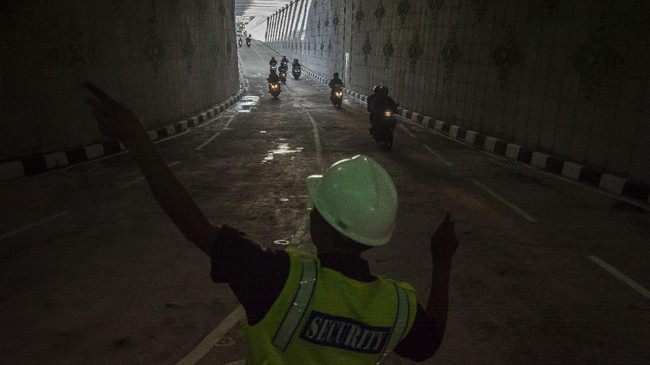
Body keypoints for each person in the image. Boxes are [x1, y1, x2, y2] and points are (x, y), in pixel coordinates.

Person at [83, 82, 459, 364]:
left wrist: (136, 137)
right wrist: (441, 262)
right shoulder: (396, 306)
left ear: (319, 227)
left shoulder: (278, 280)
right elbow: (429, 342)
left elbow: (193, 224)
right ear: (374, 238)